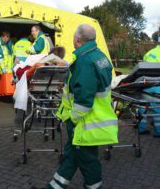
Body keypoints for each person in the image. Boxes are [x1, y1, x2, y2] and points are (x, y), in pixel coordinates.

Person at [46, 24, 118, 189]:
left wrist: (73, 118)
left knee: (87, 160)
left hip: (83, 122)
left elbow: (84, 98)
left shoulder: (84, 61)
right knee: (72, 156)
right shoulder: (100, 56)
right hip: (95, 118)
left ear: (77, 40)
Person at [138, 44, 160, 137]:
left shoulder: (149, 53)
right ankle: (158, 131)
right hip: (157, 85)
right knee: (157, 110)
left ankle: (141, 128)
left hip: (145, 84)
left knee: (143, 108)